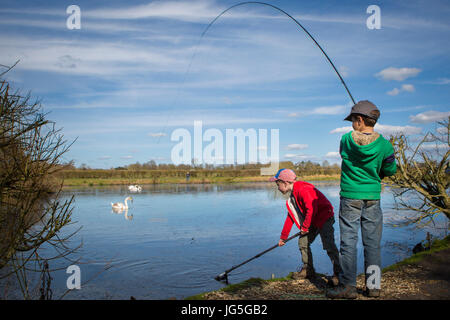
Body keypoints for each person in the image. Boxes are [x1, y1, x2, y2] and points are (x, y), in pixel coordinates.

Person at [327, 100, 397, 299]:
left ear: (359, 120)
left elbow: (345, 155)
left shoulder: (346, 140)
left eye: (352, 120)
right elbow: (390, 169)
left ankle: (348, 287)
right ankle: (373, 287)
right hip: (373, 197)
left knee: (348, 242)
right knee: (372, 243)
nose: (351, 124)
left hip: (349, 196)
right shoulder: (385, 145)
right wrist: (378, 170)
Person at [270, 168, 342, 285]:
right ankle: (308, 270)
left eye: (278, 184)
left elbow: (311, 208)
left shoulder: (303, 189)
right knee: (303, 242)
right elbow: (290, 218)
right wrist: (283, 237)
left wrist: (305, 226)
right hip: (313, 220)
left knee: (329, 245)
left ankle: (339, 273)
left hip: (324, 218)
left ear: (285, 183)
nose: (278, 188)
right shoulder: (293, 197)